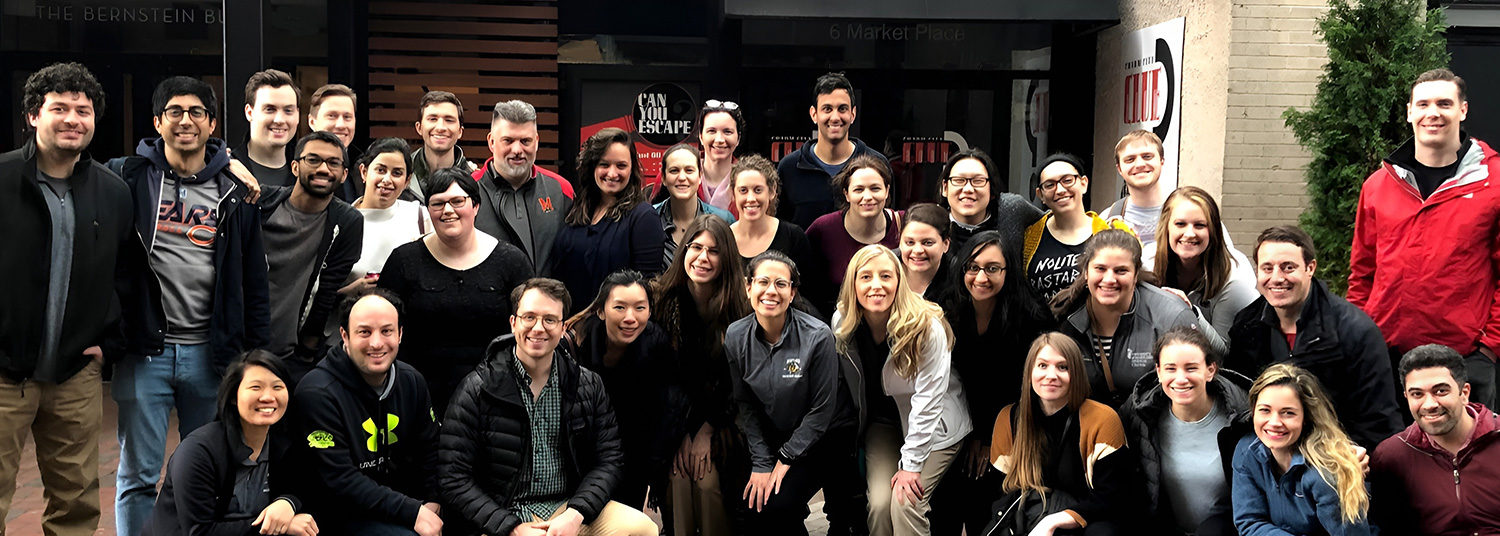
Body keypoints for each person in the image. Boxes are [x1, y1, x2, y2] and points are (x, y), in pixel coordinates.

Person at [107, 76, 272, 536]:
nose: (186, 121)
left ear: (212, 124)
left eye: (197, 112)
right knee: (138, 476)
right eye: (174, 112)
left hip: (212, 354)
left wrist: (255, 355)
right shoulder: (128, 178)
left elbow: (254, 281)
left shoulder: (236, 190)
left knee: (213, 467)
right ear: (157, 122)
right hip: (146, 352)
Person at [0, 61, 135, 536]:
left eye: (83, 110)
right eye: (59, 108)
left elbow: (127, 276)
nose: (73, 119)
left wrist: (109, 345)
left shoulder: (113, 192)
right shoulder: (2, 179)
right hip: (3, 373)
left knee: (76, 504)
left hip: (75, 375)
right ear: (33, 115)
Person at [439, 278, 659, 536]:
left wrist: (575, 514)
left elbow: (610, 459)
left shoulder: (587, 385)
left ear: (563, 327)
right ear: (513, 322)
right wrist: (512, 528)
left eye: (550, 320)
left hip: (567, 508)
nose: (538, 328)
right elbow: (453, 477)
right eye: (529, 317)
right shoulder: (478, 388)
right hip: (504, 514)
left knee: (642, 528)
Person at [1349, 68, 1500, 410]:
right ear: (1409, 112)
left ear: (1463, 110)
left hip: (1464, 360)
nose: (1433, 113)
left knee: (1467, 447)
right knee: (1388, 445)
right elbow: (1363, 272)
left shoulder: (1494, 183)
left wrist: (1489, 348)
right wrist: (1360, 337)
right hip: (1385, 356)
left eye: (1444, 103)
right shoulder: (1378, 186)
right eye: (1423, 104)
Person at [832, 245, 968, 536]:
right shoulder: (843, 322)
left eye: (885, 276)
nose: (876, 285)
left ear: (899, 281)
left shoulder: (926, 326)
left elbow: (929, 401)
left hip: (936, 424)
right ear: (852, 284)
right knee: (880, 505)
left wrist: (911, 465)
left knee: (905, 502)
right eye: (865, 277)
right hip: (883, 424)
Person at [1226, 225, 1403, 448]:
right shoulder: (1246, 326)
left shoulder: (1354, 331)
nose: (1277, 278)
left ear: (1310, 268)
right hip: (1268, 450)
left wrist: (1348, 458)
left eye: (1288, 267)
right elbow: (1238, 401)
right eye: (1267, 268)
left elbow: (1378, 419)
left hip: (1335, 453)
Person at [283, 288, 443, 535]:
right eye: (364, 332)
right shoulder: (317, 393)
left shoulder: (412, 381)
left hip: (401, 502)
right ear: (344, 336)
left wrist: (433, 499)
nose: (376, 343)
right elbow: (340, 479)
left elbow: (431, 447)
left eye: (387, 331)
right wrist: (413, 512)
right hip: (339, 513)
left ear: (400, 334)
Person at [378, 168, 534, 415]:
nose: (448, 210)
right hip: (418, 398)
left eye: (457, 201)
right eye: (437, 203)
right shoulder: (403, 261)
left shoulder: (511, 261)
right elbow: (382, 324)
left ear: (476, 206)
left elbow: (530, 328)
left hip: (497, 398)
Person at [724, 251, 859, 534]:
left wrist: (786, 457)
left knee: (782, 505)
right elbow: (745, 403)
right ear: (748, 287)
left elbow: (822, 410)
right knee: (755, 504)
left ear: (792, 292)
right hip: (779, 431)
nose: (771, 291)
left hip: (828, 436)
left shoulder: (817, 336)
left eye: (781, 284)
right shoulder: (736, 336)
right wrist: (762, 462)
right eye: (763, 282)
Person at [928, 231, 1052, 536]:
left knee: (985, 505)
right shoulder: (945, 307)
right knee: (944, 507)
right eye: (973, 267)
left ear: (1008, 271)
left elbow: (1026, 389)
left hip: (1012, 425)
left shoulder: (1031, 316)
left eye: (992, 268)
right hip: (954, 422)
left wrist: (987, 438)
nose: (981, 277)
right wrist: (970, 436)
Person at [142, 350, 317, 536]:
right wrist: (277, 527)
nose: (268, 397)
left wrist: (288, 502)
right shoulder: (198, 452)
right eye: (256, 387)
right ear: (234, 396)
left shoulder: (285, 441)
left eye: (277, 387)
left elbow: (305, 486)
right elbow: (199, 532)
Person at [652, 215, 750, 536]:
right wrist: (680, 434)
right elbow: (661, 380)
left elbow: (738, 384)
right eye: (696, 247)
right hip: (674, 421)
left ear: (727, 258)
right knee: (678, 479)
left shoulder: (740, 308)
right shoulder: (661, 302)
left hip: (723, 420)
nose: (702, 258)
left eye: (714, 250)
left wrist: (707, 431)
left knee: (707, 485)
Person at [1054, 229, 1223, 406]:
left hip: (1153, 418)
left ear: (1136, 275)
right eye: (1100, 269)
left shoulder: (1171, 316)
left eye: (1121, 271)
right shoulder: (1064, 315)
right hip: (1086, 418)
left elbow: (1201, 381)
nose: (1109, 279)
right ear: (1086, 272)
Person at [563, 271, 686, 512]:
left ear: (650, 311)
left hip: (633, 453)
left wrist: (653, 466)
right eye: (619, 307)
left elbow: (666, 410)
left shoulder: (657, 345)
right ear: (601, 311)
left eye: (640, 308)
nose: (630, 318)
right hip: (582, 455)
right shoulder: (576, 344)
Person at [989, 333, 1136, 535]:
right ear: (1029, 371)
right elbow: (1001, 492)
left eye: (1062, 367)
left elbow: (1113, 496)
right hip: (1030, 517)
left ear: (1076, 373)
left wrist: (1052, 522)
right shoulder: (1009, 419)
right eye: (1042, 365)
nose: (1051, 375)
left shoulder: (1102, 419)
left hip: (1088, 520)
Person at [1118, 327, 1249, 536]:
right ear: (1158, 372)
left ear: (1210, 370)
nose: (1180, 379)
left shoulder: (1245, 415)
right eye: (1171, 369)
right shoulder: (1138, 415)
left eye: (1191, 368)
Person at [257, 131, 364, 379]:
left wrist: (306, 353)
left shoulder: (347, 222)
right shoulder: (261, 203)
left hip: (292, 355)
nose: (323, 169)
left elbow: (327, 289)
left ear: (344, 174)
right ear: (295, 167)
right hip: (239, 343)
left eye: (333, 163)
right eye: (313, 160)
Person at [1371, 344, 1500, 535]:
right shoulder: (1391, 456)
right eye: (1417, 394)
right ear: (1406, 397)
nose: (1429, 404)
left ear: (1464, 393)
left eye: (1440, 391)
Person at [1232, 363, 1374, 536]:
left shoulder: (1327, 471)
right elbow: (1250, 522)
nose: (1274, 422)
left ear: (1305, 417)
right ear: (1253, 411)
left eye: (1288, 413)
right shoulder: (1247, 452)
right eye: (1265, 410)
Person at [549, 127, 666, 305]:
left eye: (621, 166)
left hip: (614, 321)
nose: (612, 173)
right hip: (569, 319)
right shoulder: (576, 210)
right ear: (592, 166)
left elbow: (647, 289)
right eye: (604, 164)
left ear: (632, 169)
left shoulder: (643, 218)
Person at [776, 72, 892, 229]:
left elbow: (889, 223)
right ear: (814, 114)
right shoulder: (789, 168)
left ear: (853, 114)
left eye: (842, 109)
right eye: (827, 109)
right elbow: (780, 229)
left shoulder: (877, 164)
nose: (835, 117)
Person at [473, 99, 575, 271]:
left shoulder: (560, 190)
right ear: (491, 142)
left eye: (525, 141)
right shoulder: (467, 192)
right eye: (508, 140)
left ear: (537, 141)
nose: (517, 150)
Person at [1023, 153, 1135, 301]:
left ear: (1084, 183)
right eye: (1050, 185)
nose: (1060, 190)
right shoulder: (1028, 238)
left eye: (1067, 180)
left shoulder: (1112, 232)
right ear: (1040, 194)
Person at [1149, 187, 1258, 336]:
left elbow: (1223, 349)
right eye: (1180, 224)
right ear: (1166, 226)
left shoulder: (1235, 276)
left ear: (1213, 230)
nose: (1189, 234)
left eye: (1199, 225)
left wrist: (1190, 312)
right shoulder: (1147, 263)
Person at [807, 155, 902, 315]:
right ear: (846, 194)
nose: (867, 197)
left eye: (875, 188)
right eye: (859, 190)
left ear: (886, 191)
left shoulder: (905, 226)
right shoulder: (823, 230)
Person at [337, 137, 429, 301]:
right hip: (351, 313)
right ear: (364, 172)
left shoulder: (420, 216)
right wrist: (350, 291)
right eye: (380, 170)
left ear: (407, 180)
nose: (387, 180)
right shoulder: (340, 221)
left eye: (397, 173)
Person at [937, 148, 1043, 253]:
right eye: (959, 180)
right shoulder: (933, 224)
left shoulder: (1011, 211)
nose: (968, 189)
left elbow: (1049, 222)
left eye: (978, 181)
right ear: (945, 188)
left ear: (992, 189)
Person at [652, 143, 735, 267]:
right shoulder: (649, 219)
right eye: (674, 171)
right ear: (663, 177)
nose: (682, 177)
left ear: (700, 176)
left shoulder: (723, 220)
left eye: (689, 170)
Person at [730, 154, 813, 269]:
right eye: (743, 190)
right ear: (733, 193)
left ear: (772, 191)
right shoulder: (723, 239)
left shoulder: (793, 237)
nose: (751, 199)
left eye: (758, 190)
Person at [1101, 130, 1169, 252]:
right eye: (1130, 159)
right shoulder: (1107, 219)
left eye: (1147, 156)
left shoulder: (1182, 212)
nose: (1139, 164)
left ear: (1162, 161)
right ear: (1119, 169)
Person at [232, 69, 300, 188]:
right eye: (270, 109)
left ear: (297, 115)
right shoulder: (226, 172)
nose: (279, 120)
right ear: (249, 112)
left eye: (288, 110)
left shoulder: (309, 173)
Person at [408, 90, 477, 198]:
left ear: (460, 131)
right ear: (419, 128)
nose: (440, 127)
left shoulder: (475, 178)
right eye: (433, 119)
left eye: (449, 120)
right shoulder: (401, 173)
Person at [306, 84, 362, 202]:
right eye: (332, 116)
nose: (341, 125)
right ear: (312, 122)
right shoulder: (296, 165)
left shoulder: (366, 165)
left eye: (347, 117)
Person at [897, 203, 952, 301]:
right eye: (910, 242)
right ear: (900, 242)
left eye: (928, 243)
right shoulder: (884, 270)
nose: (918, 250)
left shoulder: (958, 283)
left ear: (946, 244)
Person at [698, 100, 744, 213]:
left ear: (738, 138)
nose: (719, 140)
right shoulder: (680, 175)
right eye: (711, 131)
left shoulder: (749, 180)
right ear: (701, 136)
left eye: (727, 132)